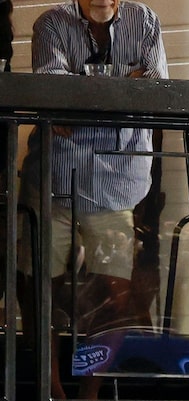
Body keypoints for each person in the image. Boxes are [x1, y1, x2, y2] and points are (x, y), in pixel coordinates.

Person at [27, 0, 165, 340]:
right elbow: (53, 94)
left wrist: (82, 92)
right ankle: (51, 391)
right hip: (55, 181)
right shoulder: (50, 23)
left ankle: (91, 395)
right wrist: (124, 84)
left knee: (114, 301)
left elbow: (155, 87)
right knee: (40, 298)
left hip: (117, 184)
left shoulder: (145, 20)